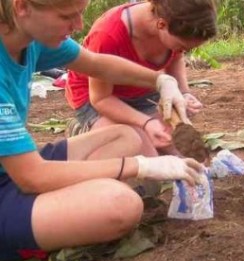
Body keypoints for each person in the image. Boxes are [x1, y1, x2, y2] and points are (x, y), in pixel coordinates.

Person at [0, 0, 204, 261]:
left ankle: (53, 211)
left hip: (12, 169)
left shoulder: (30, 39)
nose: (78, 25)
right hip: (17, 180)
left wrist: (161, 80)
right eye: (67, 16)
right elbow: (33, 177)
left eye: (80, 14)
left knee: (125, 136)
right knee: (122, 205)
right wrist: (140, 166)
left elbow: (97, 64)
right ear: (22, 7)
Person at [65, 0, 217, 156]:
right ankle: (83, 130)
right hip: (98, 100)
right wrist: (146, 122)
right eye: (182, 47)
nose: (183, 51)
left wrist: (184, 94)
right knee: (147, 157)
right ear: (161, 25)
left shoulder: (172, 21)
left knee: (188, 153)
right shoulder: (108, 35)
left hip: (142, 93)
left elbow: (175, 58)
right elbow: (101, 99)